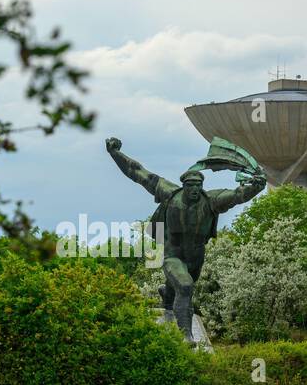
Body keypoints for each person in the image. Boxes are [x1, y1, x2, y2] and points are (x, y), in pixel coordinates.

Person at [105, 136, 266, 342]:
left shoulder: (211, 201)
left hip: (196, 259)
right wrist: (115, 153)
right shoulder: (170, 194)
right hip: (173, 256)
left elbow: (238, 195)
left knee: (181, 285)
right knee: (186, 286)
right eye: (191, 186)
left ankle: (167, 293)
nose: (195, 190)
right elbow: (138, 172)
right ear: (184, 186)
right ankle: (186, 337)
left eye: (198, 186)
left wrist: (257, 186)